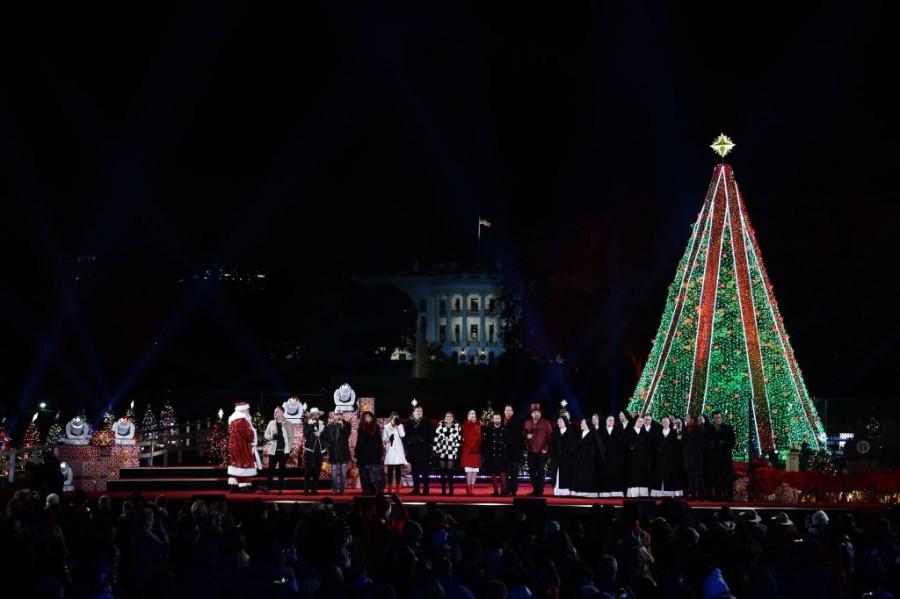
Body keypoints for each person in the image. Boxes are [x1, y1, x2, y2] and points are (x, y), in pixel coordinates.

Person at [227, 401, 262, 493]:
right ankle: (244, 486)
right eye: (247, 409)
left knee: (236, 465)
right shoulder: (242, 420)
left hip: (234, 446)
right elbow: (249, 435)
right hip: (241, 447)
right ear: (244, 409)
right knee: (243, 466)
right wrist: (253, 432)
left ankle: (234, 486)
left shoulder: (233, 420)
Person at [523, 403, 553, 497]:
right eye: (534, 412)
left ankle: (540, 491)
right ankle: (535, 490)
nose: (536, 414)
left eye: (538, 412)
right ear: (531, 414)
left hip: (541, 452)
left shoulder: (546, 423)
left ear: (540, 413)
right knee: (531, 472)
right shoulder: (527, 422)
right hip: (531, 451)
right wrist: (526, 436)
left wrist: (546, 448)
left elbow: (550, 437)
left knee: (540, 472)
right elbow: (523, 435)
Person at [570, 417, 604, 498]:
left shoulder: (592, 434)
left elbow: (595, 448)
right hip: (580, 459)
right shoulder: (581, 433)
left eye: (582, 423)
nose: (581, 424)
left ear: (587, 425)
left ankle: (588, 492)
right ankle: (580, 491)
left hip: (589, 460)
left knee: (588, 476)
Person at [262, 406, 294, 493]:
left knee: (282, 470)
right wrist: (272, 437)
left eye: (276, 412)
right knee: (271, 470)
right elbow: (266, 435)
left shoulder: (288, 424)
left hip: (284, 451)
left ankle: (280, 489)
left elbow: (291, 438)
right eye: (274, 412)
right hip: (273, 450)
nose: (274, 413)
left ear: (282, 413)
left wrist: (288, 449)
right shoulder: (271, 423)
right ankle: (267, 487)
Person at [651, 416, 683, 497]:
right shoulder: (658, 433)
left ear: (669, 423)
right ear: (661, 423)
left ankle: (671, 493)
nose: (665, 423)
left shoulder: (674, 432)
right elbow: (654, 445)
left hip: (671, 458)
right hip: (660, 458)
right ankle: (660, 493)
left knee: (671, 475)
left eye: (666, 421)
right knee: (660, 475)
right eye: (663, 421)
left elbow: (679, 442)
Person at [405, 403, 434, 495]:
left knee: (425, 472)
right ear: (413, 413)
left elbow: (432, 436)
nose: (419, 412)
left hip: (424, 451)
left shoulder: (427, 422)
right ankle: (416, 489)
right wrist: (410, 440)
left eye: (421, 411)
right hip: (413, 451)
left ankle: (426, 489)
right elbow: (405, 436)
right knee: (414, 472)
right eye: (417, 411)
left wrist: (424, 439)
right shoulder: (409, 423)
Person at [707, 411, 736, 500]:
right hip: (714, 458)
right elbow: (707, 442)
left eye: (719, 417)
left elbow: (733, 442)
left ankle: (729, 495)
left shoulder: (728, 428)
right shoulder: (710, 429)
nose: (718, 419)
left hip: (725, 457)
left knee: (727, 477)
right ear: (713, 419)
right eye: (716, 418)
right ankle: (717, 495)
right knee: (716, 478)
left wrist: (724, 443)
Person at [432, 411, 462, 496]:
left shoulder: (457, 427)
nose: (449, 418)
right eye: (447, 416)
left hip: (451, 452)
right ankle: (443, 490)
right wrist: (435, 450)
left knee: (450, 472)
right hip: (441, 451)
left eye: (450, 416)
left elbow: (458, 440)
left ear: (453, 418)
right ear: (444, 418)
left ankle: (451, 490)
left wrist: (455, 449)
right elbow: (436, 439)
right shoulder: (440, 426)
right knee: (442, 472)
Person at [355, 411, 384, 495]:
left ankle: (376, 490)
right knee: (364, 475)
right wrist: (356, 453)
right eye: (365, 416)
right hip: (363, 454)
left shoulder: (376, 427)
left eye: (369, 416)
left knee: (375, 475)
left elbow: (379, 440)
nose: (367, 417)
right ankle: (366, 490)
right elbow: (358, 441)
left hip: (374, 454)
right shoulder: (361, 428)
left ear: (372, 417)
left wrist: (381, 452)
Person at [482, 413, 510, 496]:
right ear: (493, 420)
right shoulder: (489, 430)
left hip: (502, 455)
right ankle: (496, 492)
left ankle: (503, 491)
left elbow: (509, 441)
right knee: (493, 474)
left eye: (498, 418)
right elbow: (486, 443)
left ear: (500, 419)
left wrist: (504, 445)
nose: (497, 420)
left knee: (503, 473)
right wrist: (487, 454)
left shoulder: (505, 429)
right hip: (492, 455)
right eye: (495, 418)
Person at [324, 411, 351, 494]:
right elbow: (328, 438)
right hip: (334, 451)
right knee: (334, 472)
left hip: (343, 451)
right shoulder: (330, 426)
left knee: (343, 472)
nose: (339, 416)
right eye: (337, 415)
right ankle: (334, 489)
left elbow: (347, 435)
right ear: (334, 416)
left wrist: (342, 426)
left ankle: (342, 489)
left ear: (343, 416)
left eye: (340, 415)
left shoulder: (347, 425)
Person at [550, 414, 577, 497]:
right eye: (558, 422)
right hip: (556, 458)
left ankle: (566, 492)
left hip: (567, 458)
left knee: (566, 475)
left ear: (565, 422)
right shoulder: (555, 432)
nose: (559, 423)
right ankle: (557, 490)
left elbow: (573, 445)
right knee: (556, 474)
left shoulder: (571, 431)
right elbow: (552, 444)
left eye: (560, 422)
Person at [598, 414, 625, 497]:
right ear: (606, 421)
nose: (610, 421)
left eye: (612, 420)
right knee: (604, 475)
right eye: (609, 420)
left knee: (614, 475)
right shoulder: (600, 431)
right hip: (603, 458)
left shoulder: (618, 431)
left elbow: (620, 446)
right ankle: (604, 493)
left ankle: (615, 493)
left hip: (614, 459)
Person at [624, 415, 651, 497]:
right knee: (633, 475)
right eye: (639, 421)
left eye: (642, 422)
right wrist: (631, 446)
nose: (641, 423)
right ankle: (632, 493)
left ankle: (643, 493)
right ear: (635, 422)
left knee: (642, 476)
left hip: (642, 459)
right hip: (632, 458)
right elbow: (625, 444)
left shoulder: (645, 433)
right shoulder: (629, 431)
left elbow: (648, 445)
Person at [302, 406, 326, 495]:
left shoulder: (323, 423)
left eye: (317, 414)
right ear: (311, 415)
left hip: (320, 449)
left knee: (317, 470)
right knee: (308, 470)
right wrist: (312, 426)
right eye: (314, 414)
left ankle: (314, 489)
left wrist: (321, 434)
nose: (316, 415)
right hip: (310, 449)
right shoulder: (307, 423)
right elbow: (306, 434)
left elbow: (326, 436)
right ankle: (306, 489)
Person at [383, 411, 407, 494]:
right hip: (390, 450)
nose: (395, 420)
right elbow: (384, 438)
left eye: (397, 418)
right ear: (391, 418)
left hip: (398, 451)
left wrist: (399, 425)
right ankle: (389, 488)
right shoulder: (386, 427)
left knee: (398, 470)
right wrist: (389, 439)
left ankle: (397, 488)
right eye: (394, 418)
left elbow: (403, 435)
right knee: (390, 470)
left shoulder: (400, 425)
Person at [684, 414, 706, 499]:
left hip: (696, 456)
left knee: (698, 477)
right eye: (686, 418)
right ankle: (693, 494)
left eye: (688, 418)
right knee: (690, 477)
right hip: (688, 457)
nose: (686, 419)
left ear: (692, 420)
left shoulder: (698, 429)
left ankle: (701, 494)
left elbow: (702, 443)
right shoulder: (685, 429)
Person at [460, 410, 482, 496]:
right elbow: (466, 437)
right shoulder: (465, 425)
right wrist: (472, 447)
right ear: (468, 416)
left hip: (476, 451)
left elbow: (480, 437)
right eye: (471, 414)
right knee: (469, 471)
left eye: (474, 414)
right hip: (468, 451)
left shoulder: (478, 425)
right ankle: (468, 487)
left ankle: (472, 488)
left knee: (475, 471)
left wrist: (476, 447)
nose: (473, 416)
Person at [502, 404, 523, 496]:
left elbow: (517, 438)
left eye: (509, 410)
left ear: (513, 412)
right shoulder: (502, 421)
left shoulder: (516, 422)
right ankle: (507, 489)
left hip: (515, 452)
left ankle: (513, 490)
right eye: (506, 410)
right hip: (505, 453)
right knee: (506, 473)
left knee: (514, 473)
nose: (507, 412)